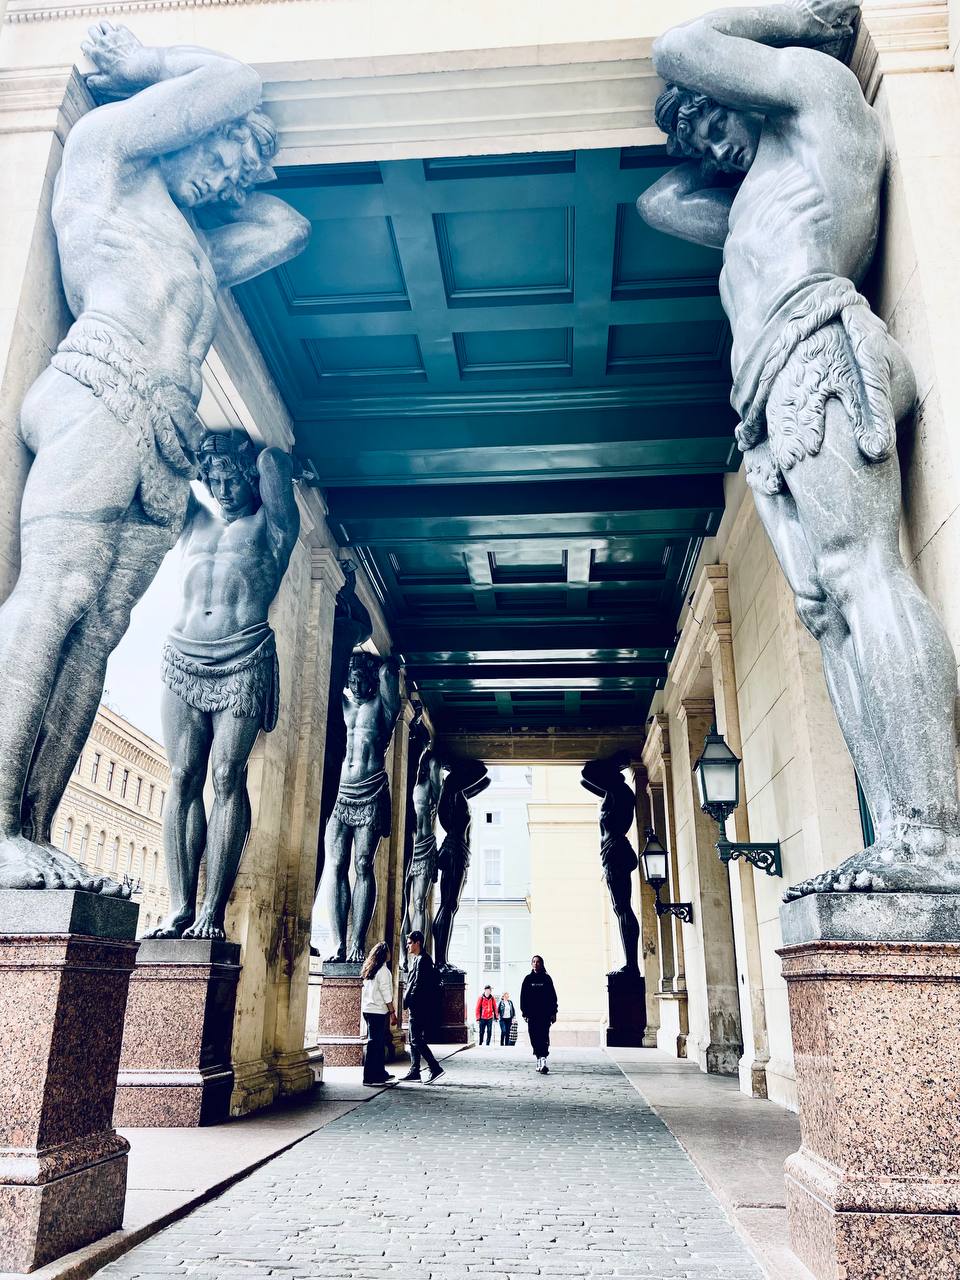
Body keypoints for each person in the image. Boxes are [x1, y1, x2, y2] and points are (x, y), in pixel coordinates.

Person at [637, 0, 960, 899]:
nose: (711, 145)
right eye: (696, 135)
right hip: (766, 407)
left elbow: (678, 45)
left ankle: (936, 834)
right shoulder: (754, 197)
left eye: (713, 116)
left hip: (818, 348)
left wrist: (799, 23)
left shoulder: (818, 100)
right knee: (826, 611)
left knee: (865, 574)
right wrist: (711, 128)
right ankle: (897, 830)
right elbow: (661, 201)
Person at [0, 22, 309, 891]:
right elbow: (237, 78)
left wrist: (223, 172)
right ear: (182, 124)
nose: (229, 181)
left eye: (239, 172)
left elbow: (285, 227)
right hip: (100, 389)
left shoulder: (194, 247)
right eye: (225, 157)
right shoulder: (107, 157)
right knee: (55, 596)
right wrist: (149, 67)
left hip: (165, 434)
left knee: (101, 627)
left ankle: (32, 830)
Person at [147, 432, 299, 941]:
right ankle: (179, 906)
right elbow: (164, 453)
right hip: (182, 655)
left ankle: (212, 910)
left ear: (249, 476)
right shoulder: (196, 520)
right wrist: (201, 457)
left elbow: (273, 460)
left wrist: (246, 452)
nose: (222, 490)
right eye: (213, 480)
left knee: (227, 775)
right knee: (181, 775)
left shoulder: (273, 527)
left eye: (231, 479)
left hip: (243, 656)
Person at [320, 653, 401, 961]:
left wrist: (383, 652)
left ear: (371, 680)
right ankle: (338, 943)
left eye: (361, 680)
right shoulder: (341, 705)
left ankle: (357, 941)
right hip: (340, 794)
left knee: (364, 864)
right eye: (351, 680)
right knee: (336, 864)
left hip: (371, 790)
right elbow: (326, 675)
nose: (355, 685)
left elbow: (389, 671)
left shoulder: (384, 708)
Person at [580, 752, 641, 976]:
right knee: (621, 908)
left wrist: (612, 762)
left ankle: (632, 965)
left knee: (622, 908)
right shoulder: (614, 792)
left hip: (615, 852)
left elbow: (587, 773)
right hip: (614, 852)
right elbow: (585, 780)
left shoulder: (618, 791)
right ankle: (631, 964)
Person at [400, 930, 445, 1084]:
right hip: (418, 1005)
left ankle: (435, 1067)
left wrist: (411, 1000)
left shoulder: (423, 959)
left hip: (418, 1006)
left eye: (409, 943)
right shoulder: (419, 959)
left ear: (417, 943)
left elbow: (418, 984)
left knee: (416, 1039)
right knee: (414, 1038)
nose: (407, 946)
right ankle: (415, 1071)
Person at [360, 941, 398, 1088]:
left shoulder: (370, 969)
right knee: (374, 1043)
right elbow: (386, 993)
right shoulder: (383, 971)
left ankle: (380, 1073)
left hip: (368, 1009)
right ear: (385, 954)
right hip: (377, 1011)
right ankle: (369, 1077)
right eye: (388, 951)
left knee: (378, 1042)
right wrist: (392, 1012)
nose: (390, 953)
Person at [520, 955, 558, 1074]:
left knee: (544, 1036)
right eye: (534, 962)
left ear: (541, 964)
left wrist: (554, 1012)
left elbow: (553, 997)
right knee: (534, 1037)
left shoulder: (547, 979)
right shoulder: (528, 979)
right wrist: (524, 1013)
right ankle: (538, 1058)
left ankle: (543, 1060)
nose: (535, 964)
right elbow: (523, 997)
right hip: (532, 1015)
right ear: (531, 964)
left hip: (544, 1015)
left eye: (538, 962)